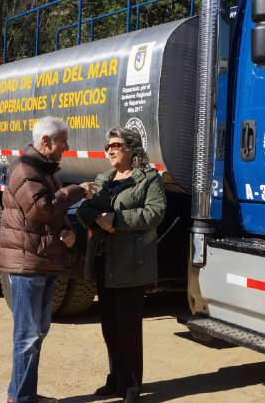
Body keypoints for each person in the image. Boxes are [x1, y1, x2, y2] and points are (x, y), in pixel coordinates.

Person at [0, 116, 94, 403]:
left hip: (42, 260)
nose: (67, 146)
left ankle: (22, 393)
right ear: (45, 141)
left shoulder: (45, 171)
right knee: (27, 336)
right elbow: (41, 210)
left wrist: (66, 229)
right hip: (28, 264)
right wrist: (78, 189)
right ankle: (21, 398)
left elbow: (51, 214)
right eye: (63, 141)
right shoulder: (24, 170)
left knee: (37, 332)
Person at [77, 127, 166, 403]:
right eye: (108, 147)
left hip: (132, 264)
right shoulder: (104, 179)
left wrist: (116, 220)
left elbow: (155, 213)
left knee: (128, 327)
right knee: (109, 326)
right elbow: (83, 209)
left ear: (132, 148)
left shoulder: (148, 179)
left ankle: (131, 386)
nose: (110, 151)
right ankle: (114, 379)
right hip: (105, 262)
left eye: (116, 145)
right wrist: (97, 218)